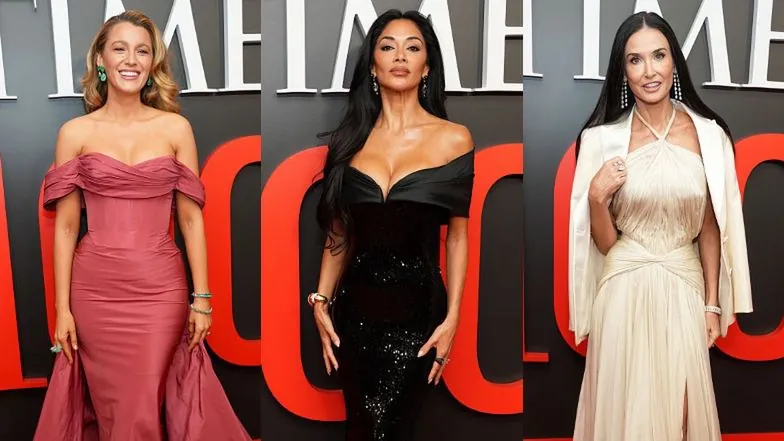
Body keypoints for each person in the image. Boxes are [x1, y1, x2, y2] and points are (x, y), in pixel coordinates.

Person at [32, 11, 251, 441]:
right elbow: (67, 227)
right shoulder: (74, 133)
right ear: (101, 59)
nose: (131, 60)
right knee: (117, 412)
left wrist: (202, 298)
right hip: (94, 293)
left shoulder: (175, 128)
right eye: (120, 49)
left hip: (160, 290)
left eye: (142, 51)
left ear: (153, 63)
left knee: (144, 408)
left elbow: (190, 219)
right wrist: (63, 309)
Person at [568, 11, 753, 441]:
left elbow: (710, 226)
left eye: (658, 56)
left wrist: (712, 304)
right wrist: (596, 198)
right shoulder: (600, 140)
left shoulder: (709, 136)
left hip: (684, 287)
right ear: (623, 71)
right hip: (622, 290)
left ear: (674, 63)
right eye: (635, 60)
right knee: (626, 419)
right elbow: (605, 243)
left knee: (680, 419)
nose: (649, 71)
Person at [309, 9, 474, 441]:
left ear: (427, 67)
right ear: (373, 66)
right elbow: (338, 234)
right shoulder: (349, 142)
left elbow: (457, 237)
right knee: (360, 428)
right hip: (355, 315)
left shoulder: (454, 139)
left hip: (419, 315)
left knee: (396, 428)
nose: (400, 56)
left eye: (412, 47)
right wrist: (320, 302)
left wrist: (453, 319)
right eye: (388, 46)